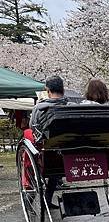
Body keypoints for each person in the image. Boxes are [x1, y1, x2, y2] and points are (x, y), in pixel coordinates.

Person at [30, 76, 68, 209]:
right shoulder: (70, 106)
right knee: (55, 164)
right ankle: (47, 199)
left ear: (47, 90)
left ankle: (30, 200)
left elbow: (33, 127)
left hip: (48, 151)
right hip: (69, 151)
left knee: (46, 160)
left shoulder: (39, 108)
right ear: (62, 89)